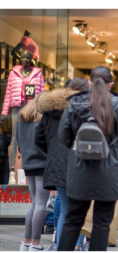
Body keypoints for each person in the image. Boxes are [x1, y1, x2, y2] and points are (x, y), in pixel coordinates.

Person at [57, 66, 118, 251]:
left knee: (73, 221)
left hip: (79, 169)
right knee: (101, 224)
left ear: (90, 81)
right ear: (111, 83)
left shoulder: (74, 104)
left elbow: (63, 137)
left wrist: (80, 150)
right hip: (110, 171)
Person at [35, 78, 89, 251]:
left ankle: (62, 246)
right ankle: (78, 245)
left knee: (65, 207)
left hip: (58, 163)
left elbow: (39, 138)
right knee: (80, 208)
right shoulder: (86, 109)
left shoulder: (50, 110)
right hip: (81, 162)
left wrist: (53, 151)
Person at [16, 93, 49, 251]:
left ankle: (26, 241)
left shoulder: (23, 116)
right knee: (41, 202)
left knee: (34, 202)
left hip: (28, 162)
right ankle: (35, 243)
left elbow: (18, 141)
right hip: (43, 162)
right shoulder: (43, 117)